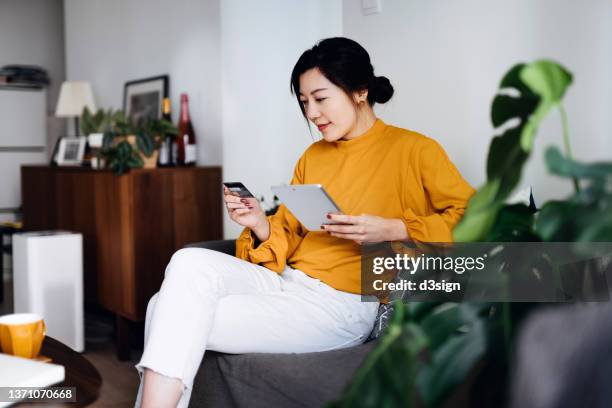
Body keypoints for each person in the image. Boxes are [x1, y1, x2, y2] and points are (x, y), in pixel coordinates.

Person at [134, 37, 475, 408]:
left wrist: (394, 229)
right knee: (187, 261)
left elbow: (472, 219)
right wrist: (260, 224)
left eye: (320, 98)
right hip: (286, 283)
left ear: (360, 91)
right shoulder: (313, 156)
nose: (312, 112)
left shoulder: (416, 150)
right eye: (303, 102)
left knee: (162, 308)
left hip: (342, 305)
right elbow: (290, 232)